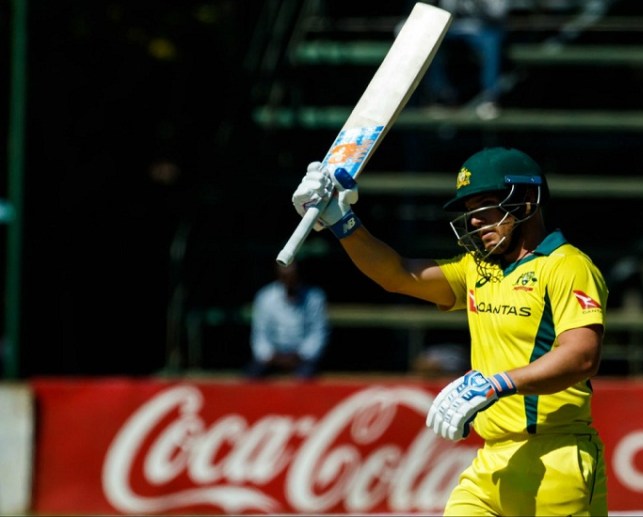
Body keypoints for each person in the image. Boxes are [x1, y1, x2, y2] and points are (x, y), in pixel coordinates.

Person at [291, 147, 609, 515]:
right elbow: (397, 275)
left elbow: (582, 355)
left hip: (557, 457)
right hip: (491, 463)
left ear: (525, 201)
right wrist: (342, 222)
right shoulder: (478, 269)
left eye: (485, 205)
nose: (474, 220)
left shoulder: (567, 265)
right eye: (469, 210)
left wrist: (497, 384)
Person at [244, 260, 330, 379]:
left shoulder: (315, 298)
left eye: (292, 275)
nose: (289, 280)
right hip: (272, 356)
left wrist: (301, 355)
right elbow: (260, 333)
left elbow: (318, 333)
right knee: (251, 377)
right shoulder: (265, 297)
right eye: (285, 276)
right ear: (278, 275)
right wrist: (269, 355)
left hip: (302, 357)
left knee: (305, 377)